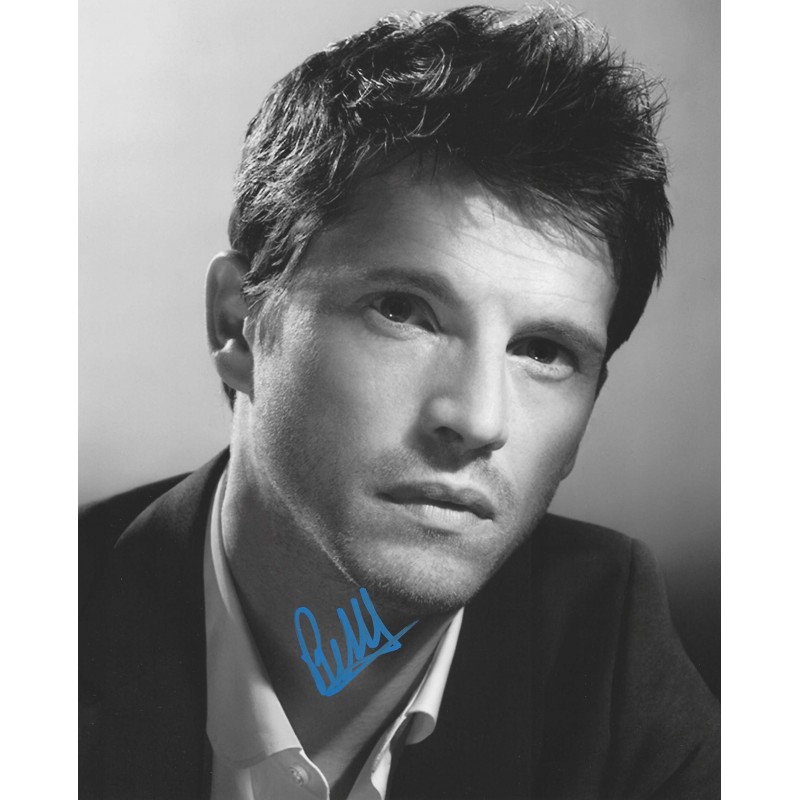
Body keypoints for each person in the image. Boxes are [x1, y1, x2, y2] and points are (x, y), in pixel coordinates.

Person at [79, 6, 720, 799]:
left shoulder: (605, 643)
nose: (479, 420)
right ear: (239, 325)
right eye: (403, 312)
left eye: (543, 351)